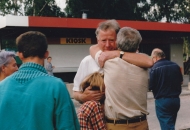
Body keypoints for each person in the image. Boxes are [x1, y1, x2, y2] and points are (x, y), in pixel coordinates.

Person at [0, 31, 80, 130]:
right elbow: (67, 126)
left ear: (20, 55)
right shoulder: (56, 86)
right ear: (46, 54)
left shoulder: (2, 87)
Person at [73, 19, 153, 103]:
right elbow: (75, 91)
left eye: (111, 40)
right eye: (103, 40)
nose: (107, 45)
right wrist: (83, 97)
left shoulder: (129, 58)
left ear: (118, 40)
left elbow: (148, 61)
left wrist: (117, 53)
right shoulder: (87, 61)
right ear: (98, 41)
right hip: (97, 113)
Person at [91, 27, 149, 130]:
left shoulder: (109, 62)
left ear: (117, 43)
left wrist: (114, 51)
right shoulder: (143, 64)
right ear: (138, 46)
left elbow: (93, 48)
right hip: (141, 124)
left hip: (117, 125)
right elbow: (149, 61)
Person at [149, 48, 183, 130]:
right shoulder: (175, 65)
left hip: (162, 101)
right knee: (171, 124)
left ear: (155, 57)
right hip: (175, 100)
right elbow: (181, 81)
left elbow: (151, 86)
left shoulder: (154, 68)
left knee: (167, 127)